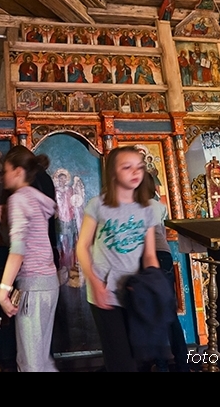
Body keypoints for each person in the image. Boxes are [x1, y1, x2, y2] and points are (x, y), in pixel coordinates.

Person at [75, 146, 161, 372]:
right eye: (127, 167)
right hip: (104, 291)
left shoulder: (148, 209)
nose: (136, 172)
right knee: (119, 360)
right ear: (113, 172)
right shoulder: (98, 205)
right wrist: (95, 283)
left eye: (139, 167)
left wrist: (155, 285)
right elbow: (82, 247)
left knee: (137, 357)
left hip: (135, 293)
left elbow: (150, 254)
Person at [0, 146, 59, 372]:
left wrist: (3, 290)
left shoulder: (19, 199)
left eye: (5, 171)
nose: (3, 176)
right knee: (41, 359)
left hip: (32, 286)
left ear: (18, 171)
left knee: (30, 363)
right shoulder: (37, 197)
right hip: (49, 284)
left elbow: (18, 250)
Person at [146, 174, 190, 372]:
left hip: (148, 257)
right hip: (164, 255)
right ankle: (182, 363)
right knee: (169, 312)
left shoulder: (138, 207)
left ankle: (161, 364)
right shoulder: (159, 206)